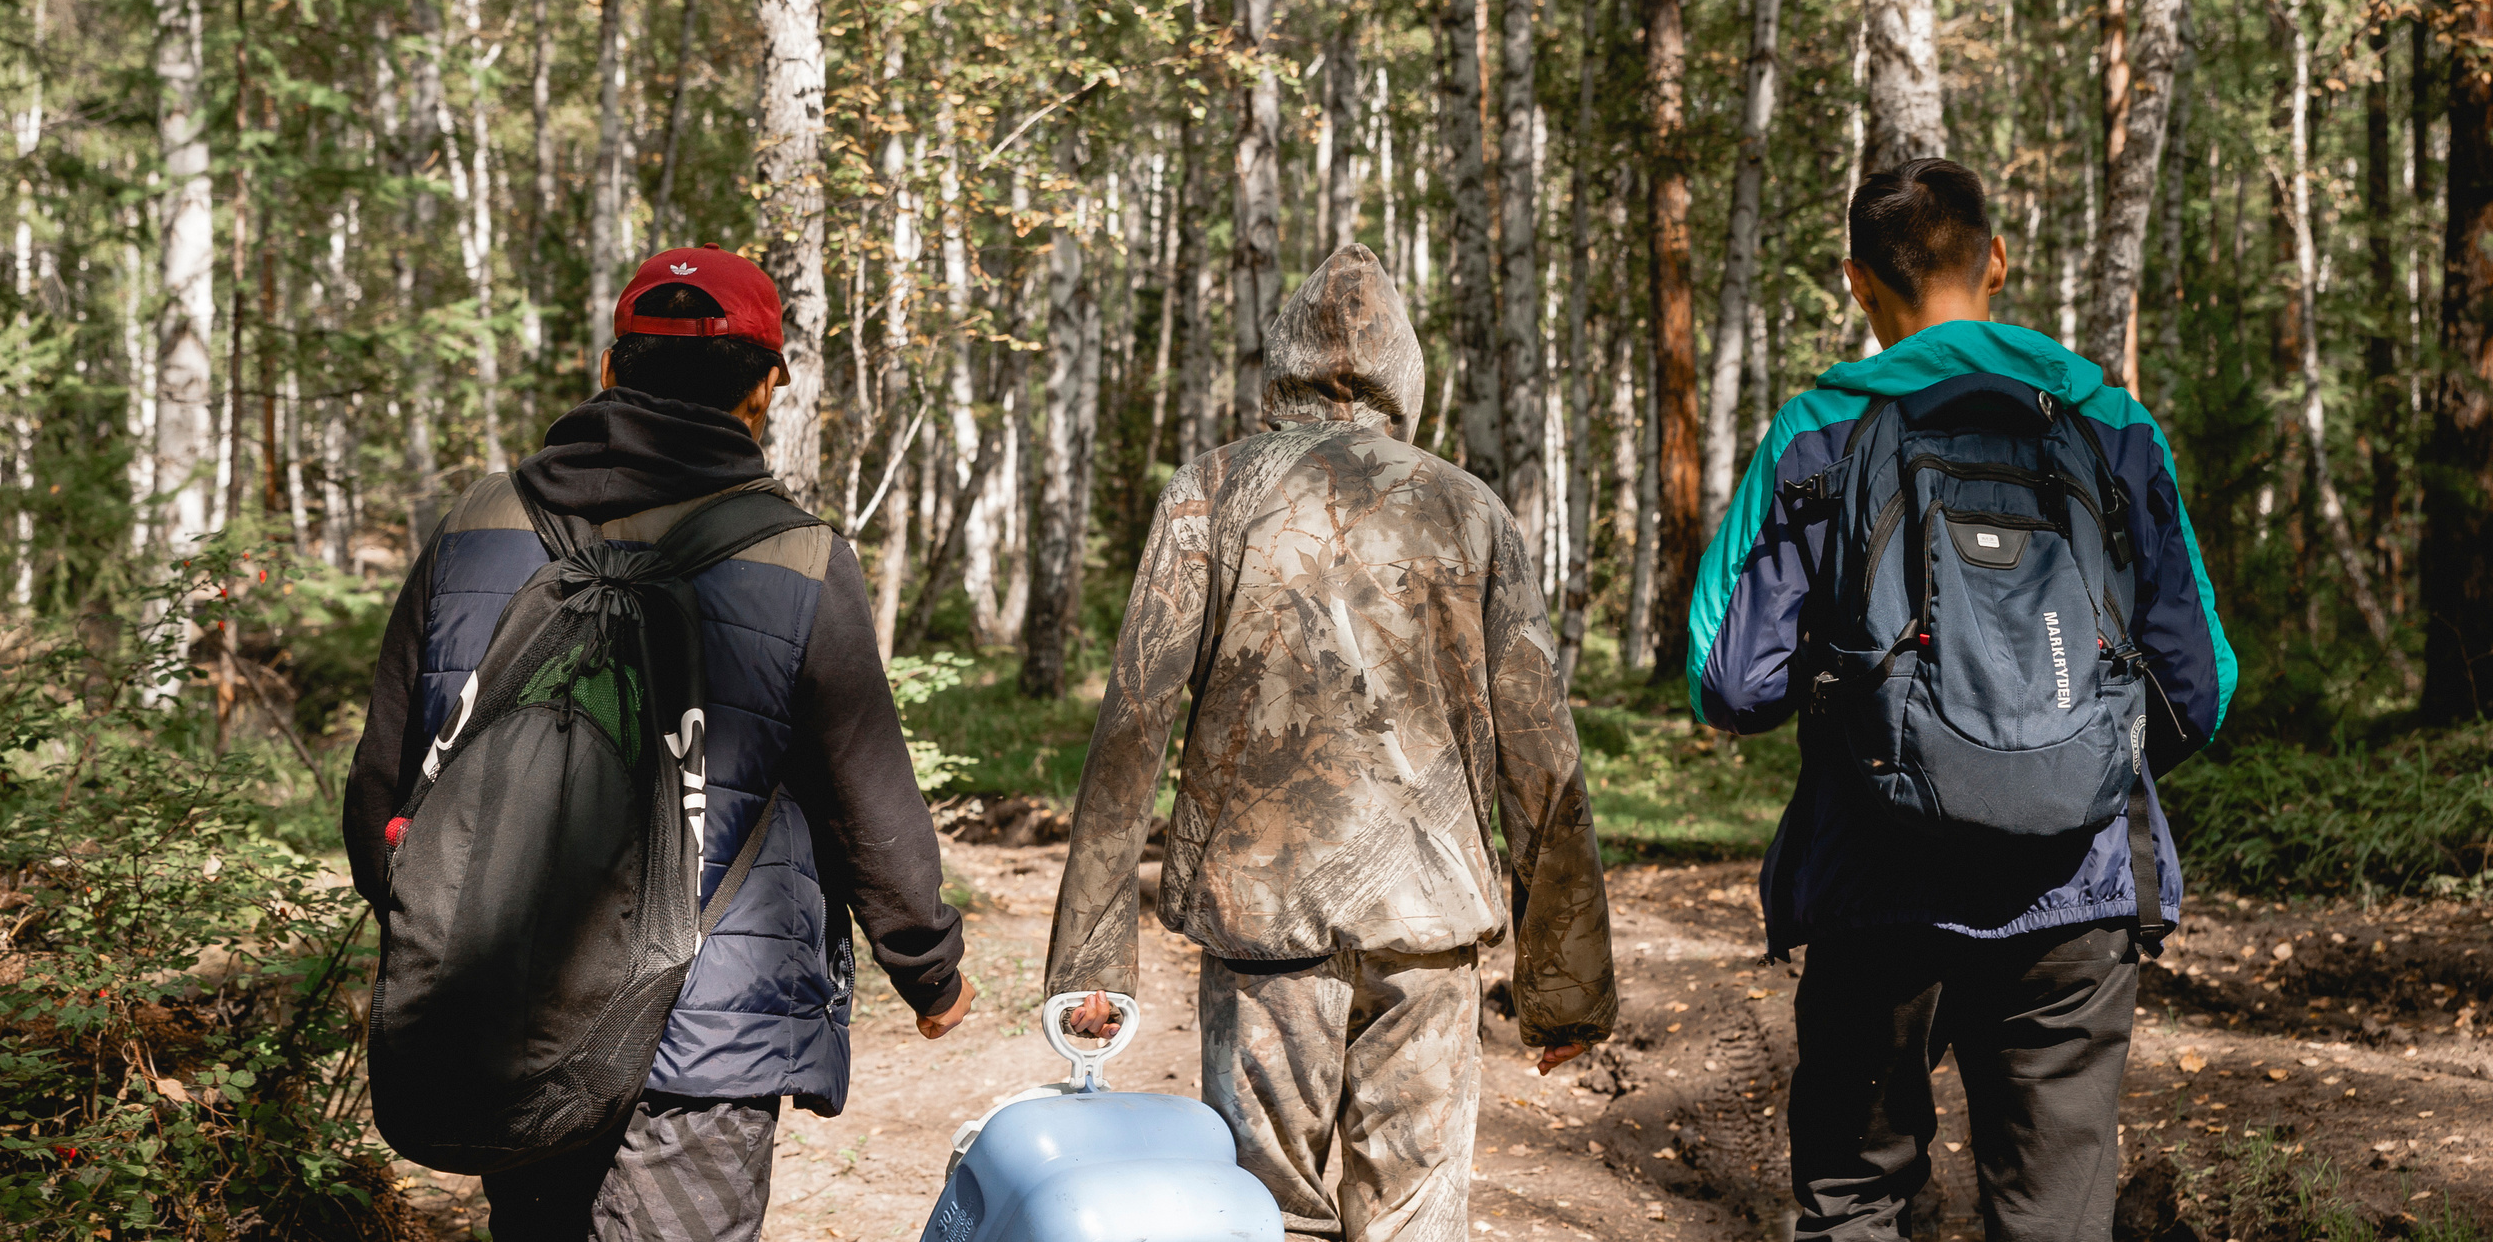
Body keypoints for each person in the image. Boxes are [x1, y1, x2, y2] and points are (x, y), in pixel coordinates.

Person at [344, 244, 974, 1242]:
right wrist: (930, 974)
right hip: (704, 1041)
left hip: (512, 1013)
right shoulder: (801, 559)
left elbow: (383, 789)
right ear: (765, 387)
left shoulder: (476, 524)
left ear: (609, 366)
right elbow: (869, 806)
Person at [1688, 159, 2235, 1242]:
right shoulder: (2109, 420)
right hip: (2075, 885)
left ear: (1856, 281)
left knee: (1854, 1199)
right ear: (1995, 258)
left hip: (1875, 879)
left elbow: (1728, 681)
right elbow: (2201, 688)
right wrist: (2061, 755)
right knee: (2053, 1216)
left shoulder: (1816, 429)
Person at [1045, 243, 1618, 1242]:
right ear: (1407, 376)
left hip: (1262, 926)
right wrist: (1563, 990)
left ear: (1282, 363)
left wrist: (1091, 961)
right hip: (1428, 932)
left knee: (1256, 1217)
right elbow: (1543, 762)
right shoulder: (1472, 510)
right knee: (1412, 1220)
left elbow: (1132, 728)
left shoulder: (1210, 494)